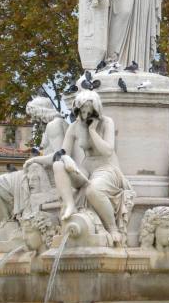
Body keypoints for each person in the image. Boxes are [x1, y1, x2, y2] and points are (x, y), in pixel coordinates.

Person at [49, 91, 134, 246]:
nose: (85, 115)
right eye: (82, 111)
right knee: (58, 165)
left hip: (107, 168)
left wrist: (92, 131)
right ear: (77, 110)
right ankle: (70, 205)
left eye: (89, 112)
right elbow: (62, 152)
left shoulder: (106, 122)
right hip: (87, 168)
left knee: (92, 190)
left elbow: (108, 150)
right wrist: (66, 158)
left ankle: (113, 228)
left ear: (96, 111)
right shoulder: (74, 127)